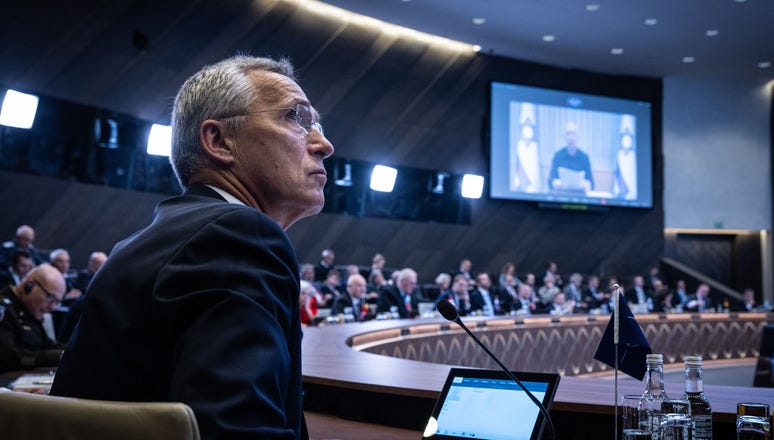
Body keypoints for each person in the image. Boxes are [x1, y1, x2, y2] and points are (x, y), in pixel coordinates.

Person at [50, 55, 334, 439]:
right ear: (219, 141)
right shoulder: (237, 234)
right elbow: (235, 431)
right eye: (295, 118)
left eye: (315, 124)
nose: (323, 144)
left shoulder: (156, 238)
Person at [0, 263, 65, 372]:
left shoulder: (29, 309)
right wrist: (56, 356)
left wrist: (71, 351)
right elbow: (7, 357)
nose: (53, 307)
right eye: (50, 297)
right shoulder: (3, 307)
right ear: (29, 285)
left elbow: (46, 345)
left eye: (57, 302)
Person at [548, 122, 594, 192]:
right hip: (561, 196)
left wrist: (587, 185)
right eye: (568, 134)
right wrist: (554, 183)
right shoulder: (558, 156)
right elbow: (550, 181)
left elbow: (592, 184)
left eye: (573, 134)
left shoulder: (584, 157)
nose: (571, 137)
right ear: (564, 137)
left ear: (578, 136)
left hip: (580, 198)